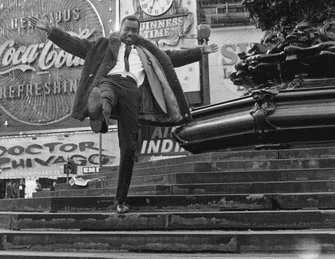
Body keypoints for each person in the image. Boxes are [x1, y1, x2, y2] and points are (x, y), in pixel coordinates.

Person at [29, 14, 218, 214]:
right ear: (121, 28)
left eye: (134, 31)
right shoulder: (103, 45)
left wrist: (199, 51)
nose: (130, 33)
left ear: (138, 32)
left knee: (128, 147)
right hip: (109, 81)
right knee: (105, 95)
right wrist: (51, 31)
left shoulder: (146, 51)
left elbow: (170, 57)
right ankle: (100, 114)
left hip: (131, 90)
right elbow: (76, 44)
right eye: (127, 29)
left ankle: (120, 200)